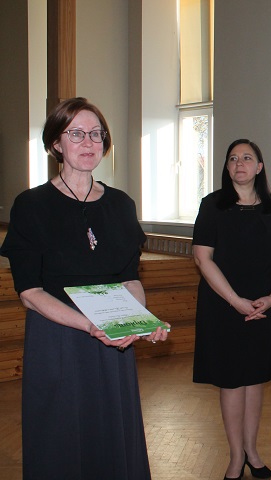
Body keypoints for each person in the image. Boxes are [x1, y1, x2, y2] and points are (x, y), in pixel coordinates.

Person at [0, 97, 169, 479]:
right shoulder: (31, 205)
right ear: (55, 143)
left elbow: (130, 279)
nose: (88, 142)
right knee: (60, 442)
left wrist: (138, 321)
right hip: (58, 340)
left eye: (96, 133)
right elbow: (30, 293)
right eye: (76, 133)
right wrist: (90, 325)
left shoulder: (121, 204)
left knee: (111, 439)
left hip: (113, 341)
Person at [192, 139, 271, 480]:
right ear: (227, 166)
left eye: (247, 158)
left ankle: (252, 450)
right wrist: (235, 301)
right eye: (233, 158)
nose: (239, 163)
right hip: (223, 304)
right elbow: (202, 258)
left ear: (259, 167)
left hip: (263, 304)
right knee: (232, 381)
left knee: (255, 378)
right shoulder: (212, 205)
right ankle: (236, 456)